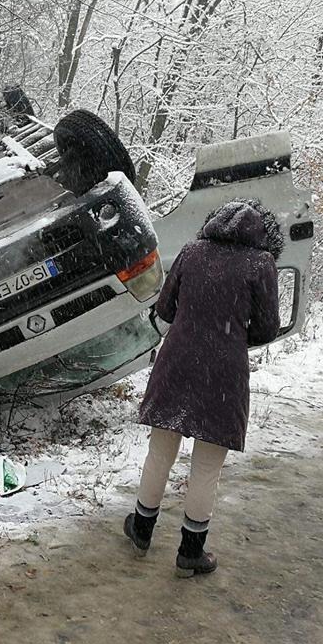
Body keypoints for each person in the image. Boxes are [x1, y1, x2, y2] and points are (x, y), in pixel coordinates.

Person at [123, 199, 282, 577]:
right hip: (224, 370)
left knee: (160, 453)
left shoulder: (192, 252)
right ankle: (191, 551)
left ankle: (142, 532)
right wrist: (231, 334)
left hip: (178, 359)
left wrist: (191, 322)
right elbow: (267, 328)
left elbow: (164, 308)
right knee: (207, 466)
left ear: (214, 223)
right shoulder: (261, 264)